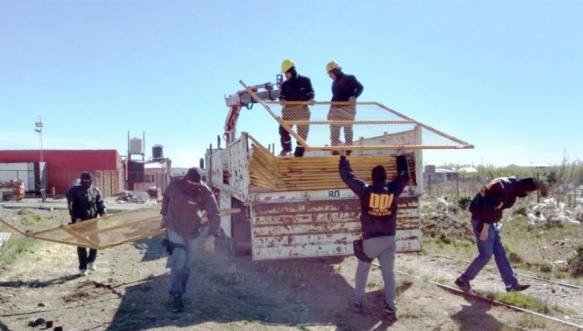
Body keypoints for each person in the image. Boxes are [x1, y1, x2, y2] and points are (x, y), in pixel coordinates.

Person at [339, 148, 409, 322]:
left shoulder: (365, 190)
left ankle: (358, 302)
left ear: (372, 177)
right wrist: (401, 156)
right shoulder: (393, 189)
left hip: (370, 241)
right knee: (389, 274)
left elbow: (348, 177)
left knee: (362, 271)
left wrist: (343, 158)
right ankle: (390, 308)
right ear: (385, 177)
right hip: (389, 240)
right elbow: (404, 176)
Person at [455, 177, 548, 292]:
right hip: (482, 221)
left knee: (500, 252)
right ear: (523, 189)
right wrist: (485, 228)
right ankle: (463, 280)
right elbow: (487, 208)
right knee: (485, 255)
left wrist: (541, 187)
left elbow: (492, 207)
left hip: (488, 221)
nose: (527, 195)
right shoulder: (504, 189)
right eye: (528, 192)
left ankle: (511, 284)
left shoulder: (509, 183)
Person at [159, 167, 220, 313]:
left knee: (187, 266)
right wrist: (163, 216)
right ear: (186, 178)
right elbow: (166, 198)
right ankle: (176, 295)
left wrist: (211, 237)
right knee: (179, 260)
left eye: (196, 185)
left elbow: (215, 214)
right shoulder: (174, 185)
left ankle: (181, 291)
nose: (194, 187)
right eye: (191, 184)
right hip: (174, 228)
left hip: (192, 231)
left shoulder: (205, 192)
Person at [67, 172, 106, 277]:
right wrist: (76, 218)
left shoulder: (94, 190)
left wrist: (103, 212)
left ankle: (91, 261)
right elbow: (71, 207)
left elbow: (100, 203)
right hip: (80, 222)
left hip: (93, 221)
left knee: (95, 241)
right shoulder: (74, 191)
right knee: (82, 244)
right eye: (85, 181)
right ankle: (83, 267)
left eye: (89, 182)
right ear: (81, 180)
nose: (87, 183)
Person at [278, 59, 315, 157]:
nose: (285, 75)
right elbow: (281, 96)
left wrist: (311, 99)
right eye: (284, 73)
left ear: (292, 70)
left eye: (287, 72)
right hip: (288, 111)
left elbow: (311, 92)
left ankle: (299, 151)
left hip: (302, 109)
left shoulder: (305, 80)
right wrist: (282, 100)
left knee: (302, 133)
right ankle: (286, 148)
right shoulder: (284, 85)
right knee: (283, 129)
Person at [326, 61, 364, 154]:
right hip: (336, 109)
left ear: (334, 71)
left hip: (348, 108)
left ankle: (348, 150)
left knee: (348, 129)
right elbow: (334, 97)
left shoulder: (349, 78)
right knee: (334, 129)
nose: (329, 76)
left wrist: (354, 96)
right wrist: (330, 111)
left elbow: (360, 87)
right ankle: (335, 150)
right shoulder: (334, 84)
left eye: (330, 73)